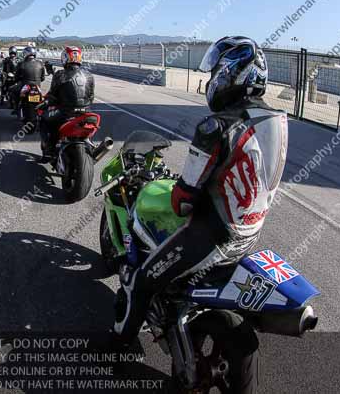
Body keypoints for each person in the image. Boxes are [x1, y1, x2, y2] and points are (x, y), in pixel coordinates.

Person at [114, 36, 287, 344]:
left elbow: (182, 201)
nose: (211, 80)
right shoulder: (277, 120)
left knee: (141, 281)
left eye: (215, 74)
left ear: (232, 73)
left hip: (212, 236)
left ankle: (118, 348)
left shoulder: (215, 126)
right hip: (250, 233)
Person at [39, 46, 95, 160]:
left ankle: (49, 149)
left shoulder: (60, 75)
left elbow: (52, 96)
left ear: (65, 58)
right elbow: (91, 97)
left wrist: (46, 103)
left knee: (43, 119)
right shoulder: (89, 75)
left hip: (66, 113)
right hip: (86, 113)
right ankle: (89, 145)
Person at [10, 45, 46, 113]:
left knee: (13, 91)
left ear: (25, 54)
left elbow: (16, 77)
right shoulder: (40, 63)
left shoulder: (21, 64)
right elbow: (43, 78)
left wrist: (17, 79)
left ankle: (16, 108)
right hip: (37, 87)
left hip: (25, 86)